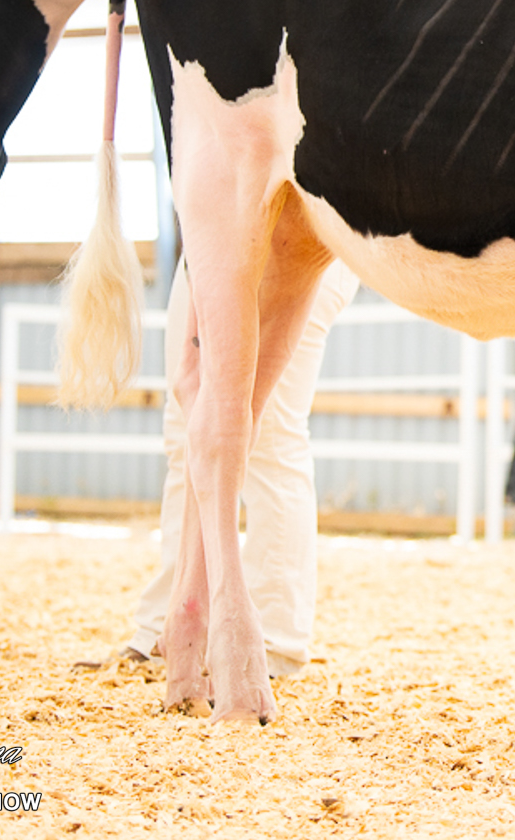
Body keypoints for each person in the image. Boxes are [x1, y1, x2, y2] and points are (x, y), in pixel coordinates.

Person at [119, 259, 360, 676]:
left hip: (291, 236)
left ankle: (273, 640)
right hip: (207, 247)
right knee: (186, 429)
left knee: (269, 432)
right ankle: (170, 625)